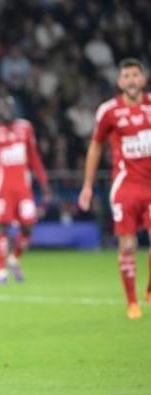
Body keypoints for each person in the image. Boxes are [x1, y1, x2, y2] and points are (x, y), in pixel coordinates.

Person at [78, 58, 151, 320]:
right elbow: (96, 146)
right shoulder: (109, 111)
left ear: (143, 79)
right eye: (126, 76)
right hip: (127, 187)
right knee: (128, 245)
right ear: (120, 82)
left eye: (135, 75)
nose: (131, 80)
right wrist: (87, 185)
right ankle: (132, 302)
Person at [0, 95, 51, 284]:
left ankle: (14, 258)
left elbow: (34, 157)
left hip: (23, 188)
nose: (7, 111)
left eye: (9, 107)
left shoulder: (25, 127)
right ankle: (1, 271)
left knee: (28, 227)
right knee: (0, 227)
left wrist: (44, 182)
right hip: (2, 188)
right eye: (3, 107)